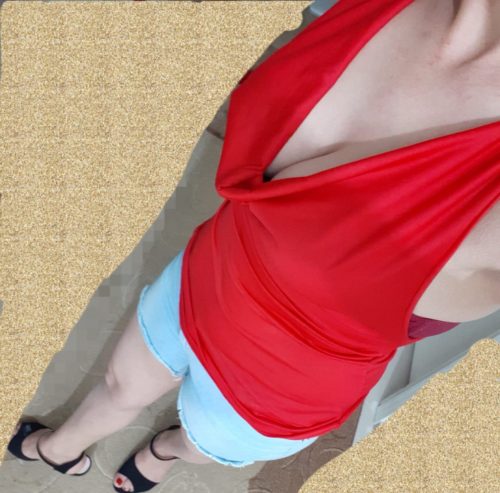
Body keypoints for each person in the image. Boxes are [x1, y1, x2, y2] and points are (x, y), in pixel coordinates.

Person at [7, 1, 500, 492]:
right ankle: (60, 449)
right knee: (119, 385)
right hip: (213, 271)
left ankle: (165, 449)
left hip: (281, 385)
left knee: (197, 441)